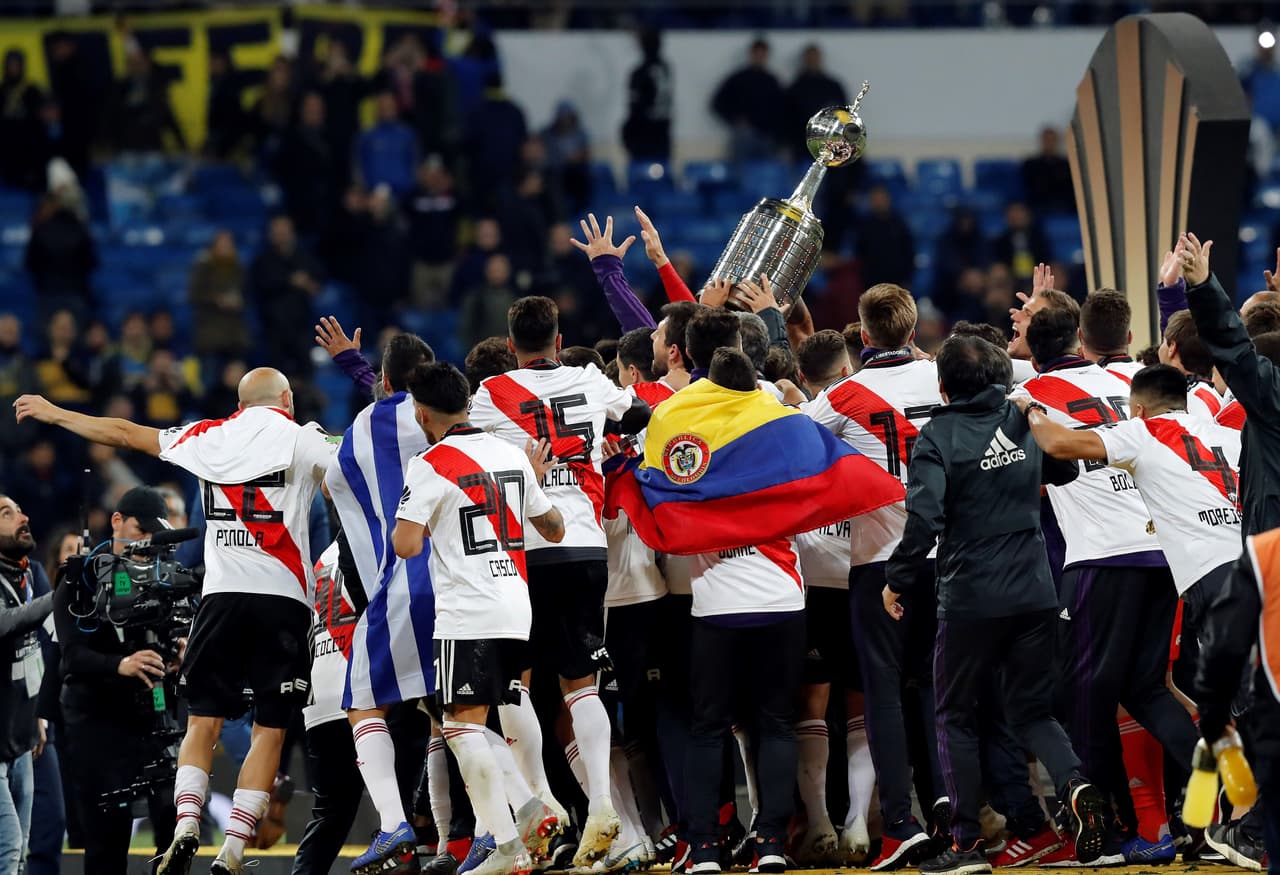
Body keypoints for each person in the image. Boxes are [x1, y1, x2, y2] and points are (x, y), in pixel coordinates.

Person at [14, 366, 337, 875]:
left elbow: (122, 433)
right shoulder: (302, 438)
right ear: (287, 398)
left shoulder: (205, 435)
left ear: (240, 401)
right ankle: (232, 848)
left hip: (220, 600)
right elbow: (358, 467)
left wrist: (56, 413)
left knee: (203, 720)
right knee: (269, 730)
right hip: (282, 601)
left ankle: (187, 822)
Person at [882, 335, 1109, 875]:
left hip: (970, 599)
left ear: (942, 386)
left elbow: (926, 519)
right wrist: (1024, 424)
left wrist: (897, 579)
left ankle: (964, 846)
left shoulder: (936, 436)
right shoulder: (1021, 420)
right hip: (1034, 592)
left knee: (955, 716)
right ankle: (1075, 784)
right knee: (1032, 712)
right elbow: (1066, 469)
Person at [469, 296, 651, 869]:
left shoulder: (491, 394)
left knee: (514, 685)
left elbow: (461, 449)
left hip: (524, 551)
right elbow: (640, 414)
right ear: (558, 335)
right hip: (586, 546)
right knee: (582, 684)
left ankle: (541, 805)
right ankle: (601, 801)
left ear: (509, 339)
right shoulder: (590, 379)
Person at [1012, 304, 1201, 855]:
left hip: (1101, 558)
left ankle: (1113, 831)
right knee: (1145, 687)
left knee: (1087, 696)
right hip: (1162, 551)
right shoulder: (1130, 379)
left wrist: (1022, 363)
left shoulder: (1026, 393)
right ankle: (1224, 799)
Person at [393, 361, 568, 875]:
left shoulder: (430, 462)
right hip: (517, 606)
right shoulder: (510, 454)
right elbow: (554, 527)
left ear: (423, 413)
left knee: (460, 727)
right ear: (467, 401)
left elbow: (406, 545)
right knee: (493, 715)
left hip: (468, 611)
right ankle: (531, 806)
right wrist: (530, 484)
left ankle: (510, 846)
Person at [802, 286, 948, 869]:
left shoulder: (841, 396)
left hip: (879, 559)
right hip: (948, 556)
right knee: (940, 689)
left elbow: (794, 450)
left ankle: (902, 825)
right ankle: (949, 809)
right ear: (913, 331)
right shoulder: (941, 377)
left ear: (862, 337)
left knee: (883, 692)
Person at [323, 332, 450, 873]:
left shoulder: (357, 432)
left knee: (363, 702)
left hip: (400, 582)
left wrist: (359, 368)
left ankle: (395, 824)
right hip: (473, 585)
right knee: (457, 716)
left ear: (388, 380)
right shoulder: (467, 422)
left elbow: (333, 486)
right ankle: (484, 829)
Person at [1181, 231, 1280, 867]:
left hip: (1268, 567)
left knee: (1259, 705)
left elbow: (1237, 351)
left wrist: (1198, 286)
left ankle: (1240, 824)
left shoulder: (1264, 400)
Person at [53, 487, 186, 874]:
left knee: (173, 833)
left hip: (153, 721)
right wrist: (121, 664)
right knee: (107, 845)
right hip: (97, 725)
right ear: (117, 521)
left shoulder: (164, 580)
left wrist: (176, 653)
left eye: (152, 533)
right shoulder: (82, 580)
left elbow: (172, 639)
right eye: (138, 529)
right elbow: (72, 656)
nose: (145, 541)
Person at [0, 495, 54, 874]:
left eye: (20, 509)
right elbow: (7, 623)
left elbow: (36, 650)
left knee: (19, 856)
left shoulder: (30, 572)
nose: (23, 517)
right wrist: (60, 596)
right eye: (7, 513)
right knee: (9, 848)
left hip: (20, 738)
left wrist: (39, 713)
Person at [251, 216, 325, 378]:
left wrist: (309, 284)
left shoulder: (304, 257)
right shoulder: (263, 260)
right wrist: (290, 281)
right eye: (277, 232)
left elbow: (319, 281)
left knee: (305, 373)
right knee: (274, 377)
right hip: (273, 329)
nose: (282, 235)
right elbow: (259, 284)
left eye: (285, 231)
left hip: (301, 326)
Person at [710, 38, 783, 164]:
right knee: (740, 173)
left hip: (768, 136)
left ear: (767, 55)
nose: (760, 57)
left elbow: (782, 109)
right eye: (757, 53)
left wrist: (777, 132)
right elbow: (717, 103)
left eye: (763, 54)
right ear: (751, 54)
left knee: (766, 173)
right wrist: (734, 120)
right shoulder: (738, 78)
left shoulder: (772, 81)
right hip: (744, 135)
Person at [107, 49, 186, 153]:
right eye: (133, 64)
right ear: (128, 66)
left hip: (151, 146)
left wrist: (182, 144)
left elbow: (167, 116)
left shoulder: (157, 88)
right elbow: (110, 116)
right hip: (125, 148)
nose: (137, 68)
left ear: (148, 65)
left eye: (140, 63)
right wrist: (105, 144)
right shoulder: (120, 88)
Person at [189, 230, 250, 362]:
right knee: (210, 377)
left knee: (236, 377)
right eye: (222, 245)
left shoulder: (239, 269)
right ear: (213, 247)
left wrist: (239, 302)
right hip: (210, 334)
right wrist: (217, 300)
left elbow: (249, 295)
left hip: (235, 335)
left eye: (228, 245)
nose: (225, 249)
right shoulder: (203, 268)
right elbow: (194, 294)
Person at [622, 28, 672, 163]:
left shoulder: (640, 73)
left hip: (644, 138)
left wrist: (627, 133)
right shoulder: (666, 69)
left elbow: (636, 109)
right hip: (662, 135)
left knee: (642, 178)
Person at [359, 92, 419, 199]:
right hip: (375, 196)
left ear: (396, 108)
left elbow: (416, 161)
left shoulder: (407, 134)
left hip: (405, 194)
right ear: (377, 110)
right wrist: (366, 190)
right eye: (383, 106)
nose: (386, 110)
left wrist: (411, 186)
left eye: (389, 106)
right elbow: (358, 165)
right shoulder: (366, 136)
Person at [855, 186, 916, 290]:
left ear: (888, 200)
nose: (879, 203)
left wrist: (906, 279)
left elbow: (908, 252)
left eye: (881, 199)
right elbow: (860, 254)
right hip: (871, 283)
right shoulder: (864, 226)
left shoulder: (899, 225)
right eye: (875, 200)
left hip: (896, 281)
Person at [1020, 127, 1074, 213]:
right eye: (1046, 140)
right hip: (1037, 204)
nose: (1049, 143)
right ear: (1041, 141)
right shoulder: (1030, 164)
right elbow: (1024, 187)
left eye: (1052, 140)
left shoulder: (1067, 165)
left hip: (1063, 204)